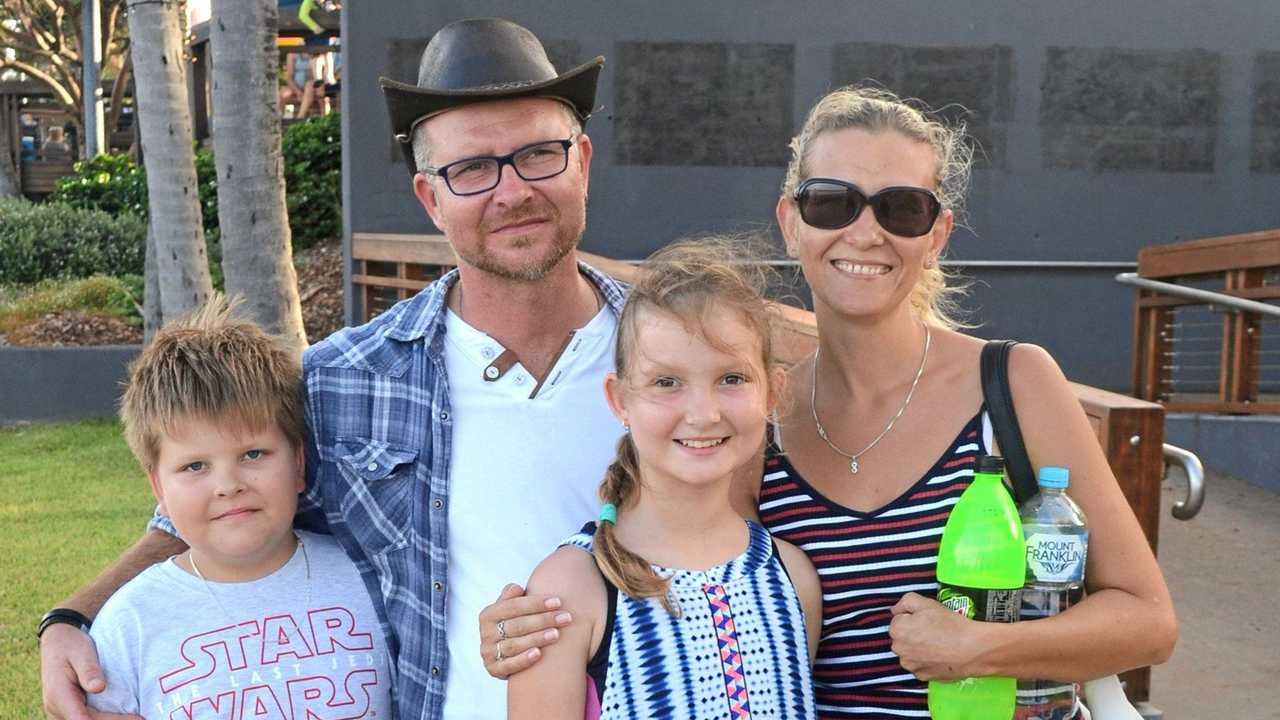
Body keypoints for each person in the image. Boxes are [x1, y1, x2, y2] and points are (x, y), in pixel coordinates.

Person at [485, 86, 1178, 718]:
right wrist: (541, 629)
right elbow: (684, 577)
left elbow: (1147, 621)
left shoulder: (1013, 384)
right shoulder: (759, 421)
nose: (866, 232)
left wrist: (978, 651)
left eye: (902, 208)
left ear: (936, 234)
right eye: (832, 202)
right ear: (792, 222)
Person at [39, 17, 616, 720]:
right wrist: (73, 616)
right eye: (471, 168)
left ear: (582, 159)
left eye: (538, 154)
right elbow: (198, 502)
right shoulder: (346, 378)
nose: (512, 190)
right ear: (430, 199)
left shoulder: (674, 360)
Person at [508, 239, 822, 719]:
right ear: (620, 401)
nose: (703, 413)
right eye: (666, 382)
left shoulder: (792, 578)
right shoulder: (574, 586)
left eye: (732, 379)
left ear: (773, 391)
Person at [83, 297, 393, 719]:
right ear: (158, 488)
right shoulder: (128, 623)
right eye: (195, 466)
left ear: (299, 464)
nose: (228, 485)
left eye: (253, 454)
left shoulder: (371, 581)